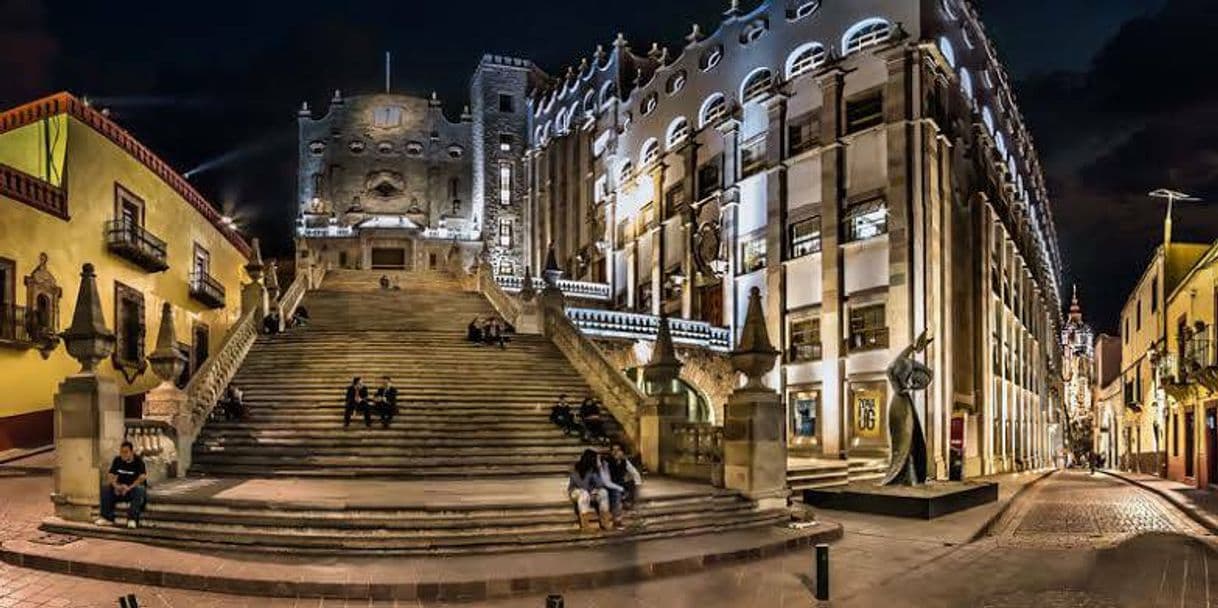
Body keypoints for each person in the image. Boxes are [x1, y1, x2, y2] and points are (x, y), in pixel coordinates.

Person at [95, 441, 148, 529]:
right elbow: (111, 475)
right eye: (121, 452)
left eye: (126, 452)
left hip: (132, 488)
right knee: (106, 489)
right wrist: (116, 486)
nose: (123, 454)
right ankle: (107, 518)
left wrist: (129, 488)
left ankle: (132, 519)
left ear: (131, 452)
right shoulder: (117, 460)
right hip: (120, 489)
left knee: (140, 490)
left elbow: (142, 477)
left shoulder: (138, 461)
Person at [568, 449, 614, 532]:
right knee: (584, 494)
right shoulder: (576, 469)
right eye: (596, 459)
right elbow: (581, 485)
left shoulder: (593, 469)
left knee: (603, 492)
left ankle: (605, 523)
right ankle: (585, 526)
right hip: (576, 491)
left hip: (589, 491)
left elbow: (600, 484)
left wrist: (599, 468)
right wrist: (590, 491)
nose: (597, 461)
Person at [604, 442, 642, 512]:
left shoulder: (624, 461)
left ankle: (631, 504)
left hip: (620, 482)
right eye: (613, 450)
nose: (615, 452)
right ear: (611, 452)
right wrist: (620, 488)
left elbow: (635, 473)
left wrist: (637, 485)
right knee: (617, 491)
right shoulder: (606, 462)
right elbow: (607, 481)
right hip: (611, 484)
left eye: (618, 450)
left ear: (622, 452)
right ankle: (616, 511)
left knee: (632, 482)